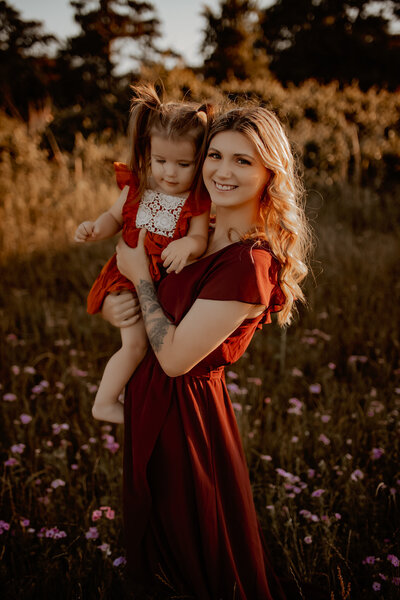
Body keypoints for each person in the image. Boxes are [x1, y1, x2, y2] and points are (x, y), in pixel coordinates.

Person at [103, 103, 311, 598]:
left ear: (269, 173)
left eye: (243, 161)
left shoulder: (249, 262)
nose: (222, 170)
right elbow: (143, 288)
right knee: (161, 549)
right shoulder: (193, 231)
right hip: (154, 403)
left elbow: (174, 357)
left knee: (194, 557)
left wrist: (139, 282)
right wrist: (121, 304)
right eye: (215, 155)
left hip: (188, 419)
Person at [74, 84, 212, 423]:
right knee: (135, 345)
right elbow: (113, 218)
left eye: (183, 164)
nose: (169, 172)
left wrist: (187, 245)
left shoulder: (196, 202)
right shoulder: (137, 188)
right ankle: (104, 402)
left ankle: (151, 406)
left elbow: (199, 239)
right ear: (147, 155)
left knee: (160, 349)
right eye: (160, 161)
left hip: (159, 280)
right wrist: (95, 228)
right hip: (126, 275)